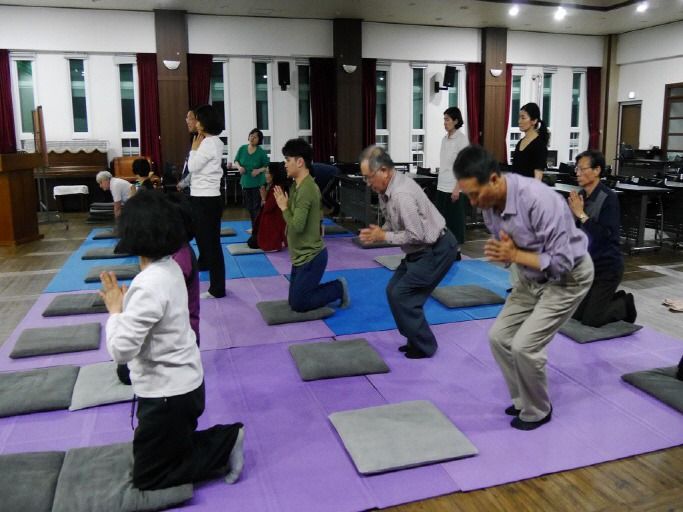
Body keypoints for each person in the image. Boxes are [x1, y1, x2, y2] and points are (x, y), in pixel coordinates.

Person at [99, 190, 244, 490]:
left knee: (149, 476)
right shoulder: (169, 267)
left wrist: (115, 311)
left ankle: (226, 442)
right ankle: (204, 441)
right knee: (163, 448)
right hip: (184, 386)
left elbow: (121, 350)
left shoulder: (149, 283)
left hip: (168, 396)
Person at [454, 145, 593, 430]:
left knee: (525, 346)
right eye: (468, 195)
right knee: (498, 337)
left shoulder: (539, 200)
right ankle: (523, 399)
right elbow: (510, 248)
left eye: (475, 194)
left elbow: (561, 263)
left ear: (494, 179)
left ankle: (538, 410)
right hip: (531, 278)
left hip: (568, 278)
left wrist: (515, 254)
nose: (473, 202)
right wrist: (508, 255)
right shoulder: (489, 206)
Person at [359, 145, 457, 360]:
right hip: (421, 250)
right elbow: (393, 221)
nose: (367, 182)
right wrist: (380, 231)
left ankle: (425, 346)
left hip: (437, 249)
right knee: (393, 290)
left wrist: (383, 237)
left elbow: (416, 235)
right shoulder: (386, 189)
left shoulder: (401, 195)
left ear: (384, 171)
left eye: (369, 177)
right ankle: (414, 338)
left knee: (402, 295)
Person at [115, 192, 201, 385]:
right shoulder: (173, 257)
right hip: (181, 339)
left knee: (125, 369)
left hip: (179, 345)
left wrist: (116, 312)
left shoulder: (175, 262)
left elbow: (121, 349)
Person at [273, 138, 349, 313]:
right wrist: (286, 206)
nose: (285, 164)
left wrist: (284, 207)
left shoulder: (307, 189)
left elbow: (297, 226)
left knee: (299, 304)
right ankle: (315, 290)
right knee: (294, 301)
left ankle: (338, 287)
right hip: (299, 256)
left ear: (300, 162)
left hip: (311, 257)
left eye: (288, 160)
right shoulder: (296, 186)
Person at [567, 150, 636, 326]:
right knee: (575, 315)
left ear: (597, 170)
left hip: (607, 268)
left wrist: (581, 215)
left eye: (582, 169)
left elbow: (605, 236)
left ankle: (624, 303)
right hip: (588, 267)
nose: (577, 173)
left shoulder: (608, 198)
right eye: (576, 169)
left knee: (592, 320)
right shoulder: (581, 196)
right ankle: (606, 299)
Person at [188, 104, 226, 299]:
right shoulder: (213, 142)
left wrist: (193, 150)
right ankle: (206, 268)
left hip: (205, 199)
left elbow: (193, 166)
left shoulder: (209, 143)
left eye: (198, 119)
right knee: (206, 241)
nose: (196, 123)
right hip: (205, 197)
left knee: (211, 244)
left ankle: (217, 288)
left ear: (205, 122)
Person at [434, 106, 468, 255]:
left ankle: (457, 250)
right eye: (444, 119)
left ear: (455, 121)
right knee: (442, 220)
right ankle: (444, 248)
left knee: (455, 220)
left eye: (447, 119)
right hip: (442, 185)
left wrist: (457, 189)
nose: (445, 122)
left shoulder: (462, 139)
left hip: (454, 187)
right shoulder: (444, 139)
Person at [247, 164, 288, 252]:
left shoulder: (277, 188)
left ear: (273, 175)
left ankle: (279, 241)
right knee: (251, 241)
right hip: (270, 223)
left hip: (274, 225)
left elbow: (267, 209)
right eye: (265, 173)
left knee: (253, 243)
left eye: (267, 173)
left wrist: (263, 198)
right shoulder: (272, 186)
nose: (265, 175)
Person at [235, 128, 270, 229]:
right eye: (251, 136)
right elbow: (236, 161)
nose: (252, 138)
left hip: (258, 183)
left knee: (256, 208)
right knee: (250, 207)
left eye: (255, 137)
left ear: (259, 140)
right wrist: (239, 167)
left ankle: (257, 229)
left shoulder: (261, 152)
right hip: (246, 183)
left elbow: (266, 166)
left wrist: (258, 170)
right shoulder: (242, 149)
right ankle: (254, 227)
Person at [510, 102, 548, 180]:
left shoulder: (539, 145)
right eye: (519, 117)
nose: (519, 121)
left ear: (534, 121)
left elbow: (537, 179)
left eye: (523, 118)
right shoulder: (520, 143)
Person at [177, 109, 198, 195]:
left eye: (190, 118)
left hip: (194, 188)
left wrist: (183, 183)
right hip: (188, 187)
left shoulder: (202, 140)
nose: (187, 121)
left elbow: (196, 168)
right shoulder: (195, 137)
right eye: (186, 118)